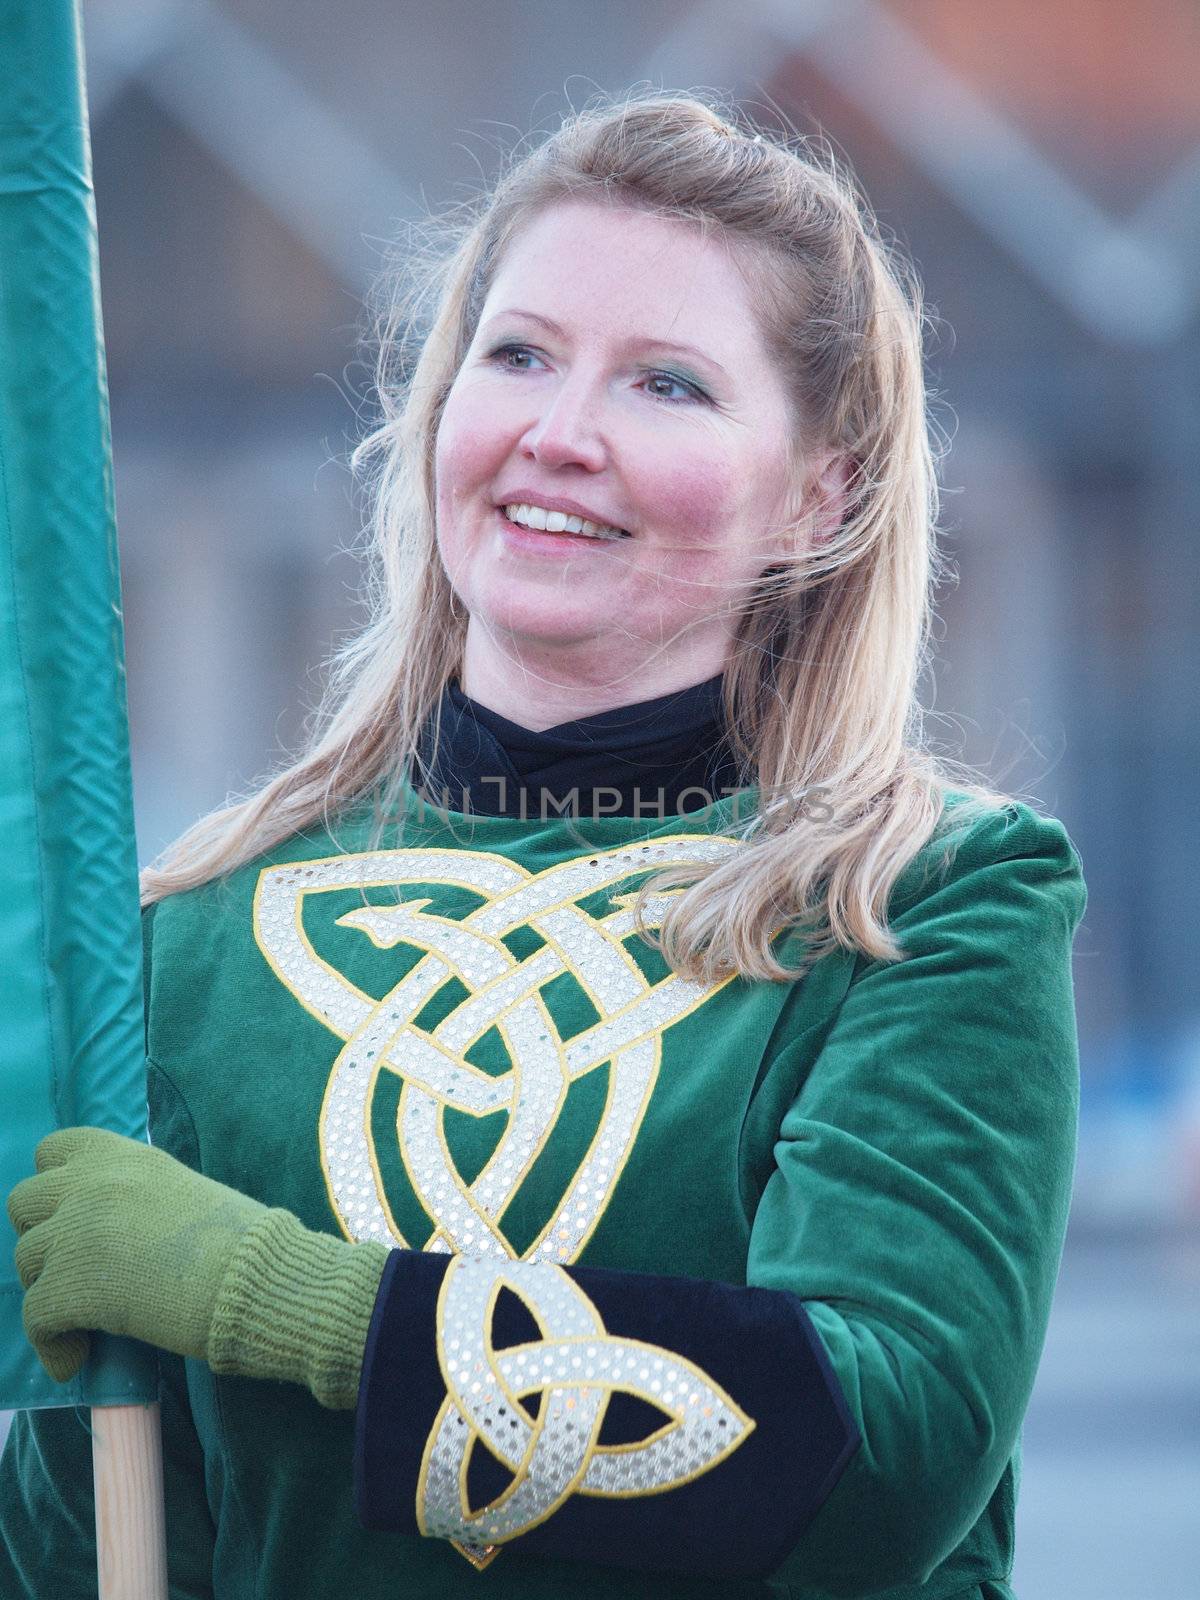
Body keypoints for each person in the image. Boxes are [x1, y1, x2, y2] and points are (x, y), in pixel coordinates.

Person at [0, 91, 1086, 1599]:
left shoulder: (928, 900)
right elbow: (94, 1549)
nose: (560, 436)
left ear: (819, 490)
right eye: (517, 357)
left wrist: (268, 1295)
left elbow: (876, 1450)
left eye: (666, 385)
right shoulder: (184, 940)